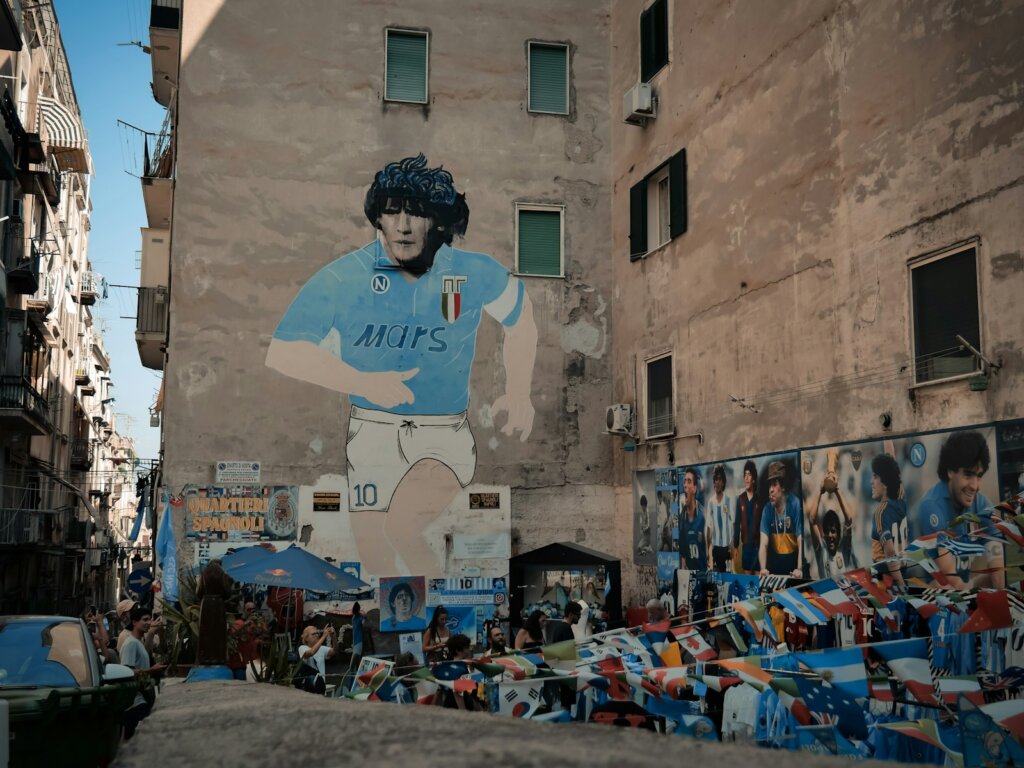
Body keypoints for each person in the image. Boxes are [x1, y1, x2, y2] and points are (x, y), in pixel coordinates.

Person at [267, 154, 538, 577]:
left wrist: (519, 392)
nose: (405, 225)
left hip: (442, 432)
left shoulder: (472, 271)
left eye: (418, 212)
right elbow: (284, 350)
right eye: (393, 211)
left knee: (403, 528)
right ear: (378, 218)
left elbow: (522, 320)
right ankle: (397, 634)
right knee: (374, 553)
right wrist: (360, 381)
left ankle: (434, 622)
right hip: (371, 429)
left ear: (438, 221)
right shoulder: (344, 277)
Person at [917, 431, 1001, 590]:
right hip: (934, 592)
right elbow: (948, 575)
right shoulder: (931, 505)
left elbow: (996, 557)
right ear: (950, 471)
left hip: (963, 586)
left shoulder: (982, 503)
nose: (975, 486)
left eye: (979, 476)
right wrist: (971, 601)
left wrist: (1000, 600)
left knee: (995, 576)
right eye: (968, 475)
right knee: (942, 586)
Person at [120, 605, 166, 740]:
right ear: (134, 622)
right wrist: (152, 670)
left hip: (142, 698)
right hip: (134, 702)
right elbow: (126, 672)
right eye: (144, 620)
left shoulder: (139, 642)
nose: (148, 623)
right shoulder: (131, 644)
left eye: (150, 620)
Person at [806, 448, 853, 579]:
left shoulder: (844, 549)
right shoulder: (821, 551)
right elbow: (811, 520)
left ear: (839, 533)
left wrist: (837, 490)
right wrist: (820, 491)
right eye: (827, 531)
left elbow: (849, 519)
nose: (830, 535)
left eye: (833, 531)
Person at [870, 449, 908, 588]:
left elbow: (890, 554)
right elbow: (892, 467)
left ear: (885, 482)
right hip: (904, 573)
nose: (871, 482)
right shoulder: (901, 497)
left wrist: (901, 587)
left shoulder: (880, 513)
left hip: (887, 586)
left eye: (875, 477)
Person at [758, 461, 804, 577]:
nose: (771, 490)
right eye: (769, 485)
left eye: (775, 484)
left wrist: (799, 568)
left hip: (794, 567)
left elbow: (801, 540)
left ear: (783, 487)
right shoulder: (767, 510)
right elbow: (763, 544)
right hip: (775, 567)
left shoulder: (795, 505)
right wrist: (763, 568)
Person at [196, 558, 232, 665]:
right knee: (219, 632)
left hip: (206, 605)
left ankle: (205, 658)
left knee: (205, 632)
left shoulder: (204, 573)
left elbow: (198, 592)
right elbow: (227, 592)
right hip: (218, 605)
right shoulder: (223, 573)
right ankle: (219, 658)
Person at [733, 461, 762, 574]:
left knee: (758, 582)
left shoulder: (759, 500)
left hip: (758, 548)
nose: (746, 478)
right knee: (747, 582)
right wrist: (735, 546)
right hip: (746, 547)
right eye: (745, 475)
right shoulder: (740, 499)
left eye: (749, 475)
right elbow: (737, 524)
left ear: (753, 479)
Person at [705, 465, 734, 572]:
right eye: (715, 480)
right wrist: (708, 551)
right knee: (717, 578)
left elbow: (733, 523)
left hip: (727, 548)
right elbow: (708, 528)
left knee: (727, 577)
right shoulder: (711, 503)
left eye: (719, 480)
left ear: (723, 482)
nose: (717, 482)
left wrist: (732, 544)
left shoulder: (728, 500)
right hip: (715, 548)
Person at [679, 468, 707, 571]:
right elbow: (683, 555)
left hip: (702, 574)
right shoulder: (682, 517)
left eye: (689, 481)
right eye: (684, 482)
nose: (685, 485)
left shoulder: (703, 516)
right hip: (689, 576)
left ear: (695, 489)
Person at [228, 601, 264, 681]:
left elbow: (265, 635)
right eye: (249, 609)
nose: (252, 612)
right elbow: (233, 632)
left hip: (253, 664)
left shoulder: (258, 624)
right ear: (244, 610)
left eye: (254, 609)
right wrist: (247, 623)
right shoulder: (239, 622)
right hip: (240, 666)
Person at [297, 624, 337, 694]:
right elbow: (312, 652)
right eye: (313, 634)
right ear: (306, 638)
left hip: (321, 685)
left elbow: (334, 651)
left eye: (317, 633)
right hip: (309, 686)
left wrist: (333, 637)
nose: (316, 635)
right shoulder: (302, 648)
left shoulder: (321, 648)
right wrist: (324, 636)